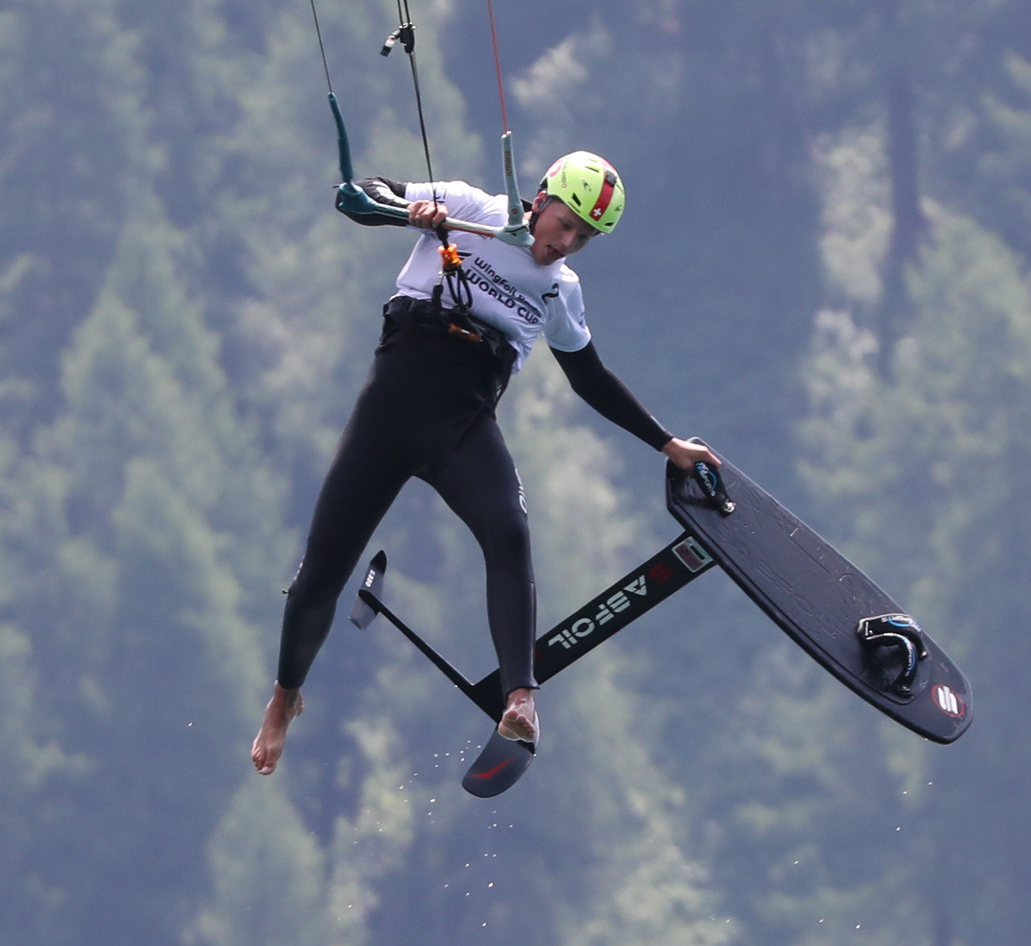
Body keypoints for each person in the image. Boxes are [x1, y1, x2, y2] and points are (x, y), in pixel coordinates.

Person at [251, 151, 719, 774]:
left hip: (464, 425)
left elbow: (591, 379)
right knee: (322, 572)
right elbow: (354, 196)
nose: (567, 242)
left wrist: (668, 444)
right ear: (543, 198)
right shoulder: (473, 209)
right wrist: (407, 211)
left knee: (509, 531)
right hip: (390, 410)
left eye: (584, 238)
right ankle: (285, 697)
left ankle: (521, 697)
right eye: (565, 224)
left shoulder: (560, 290)